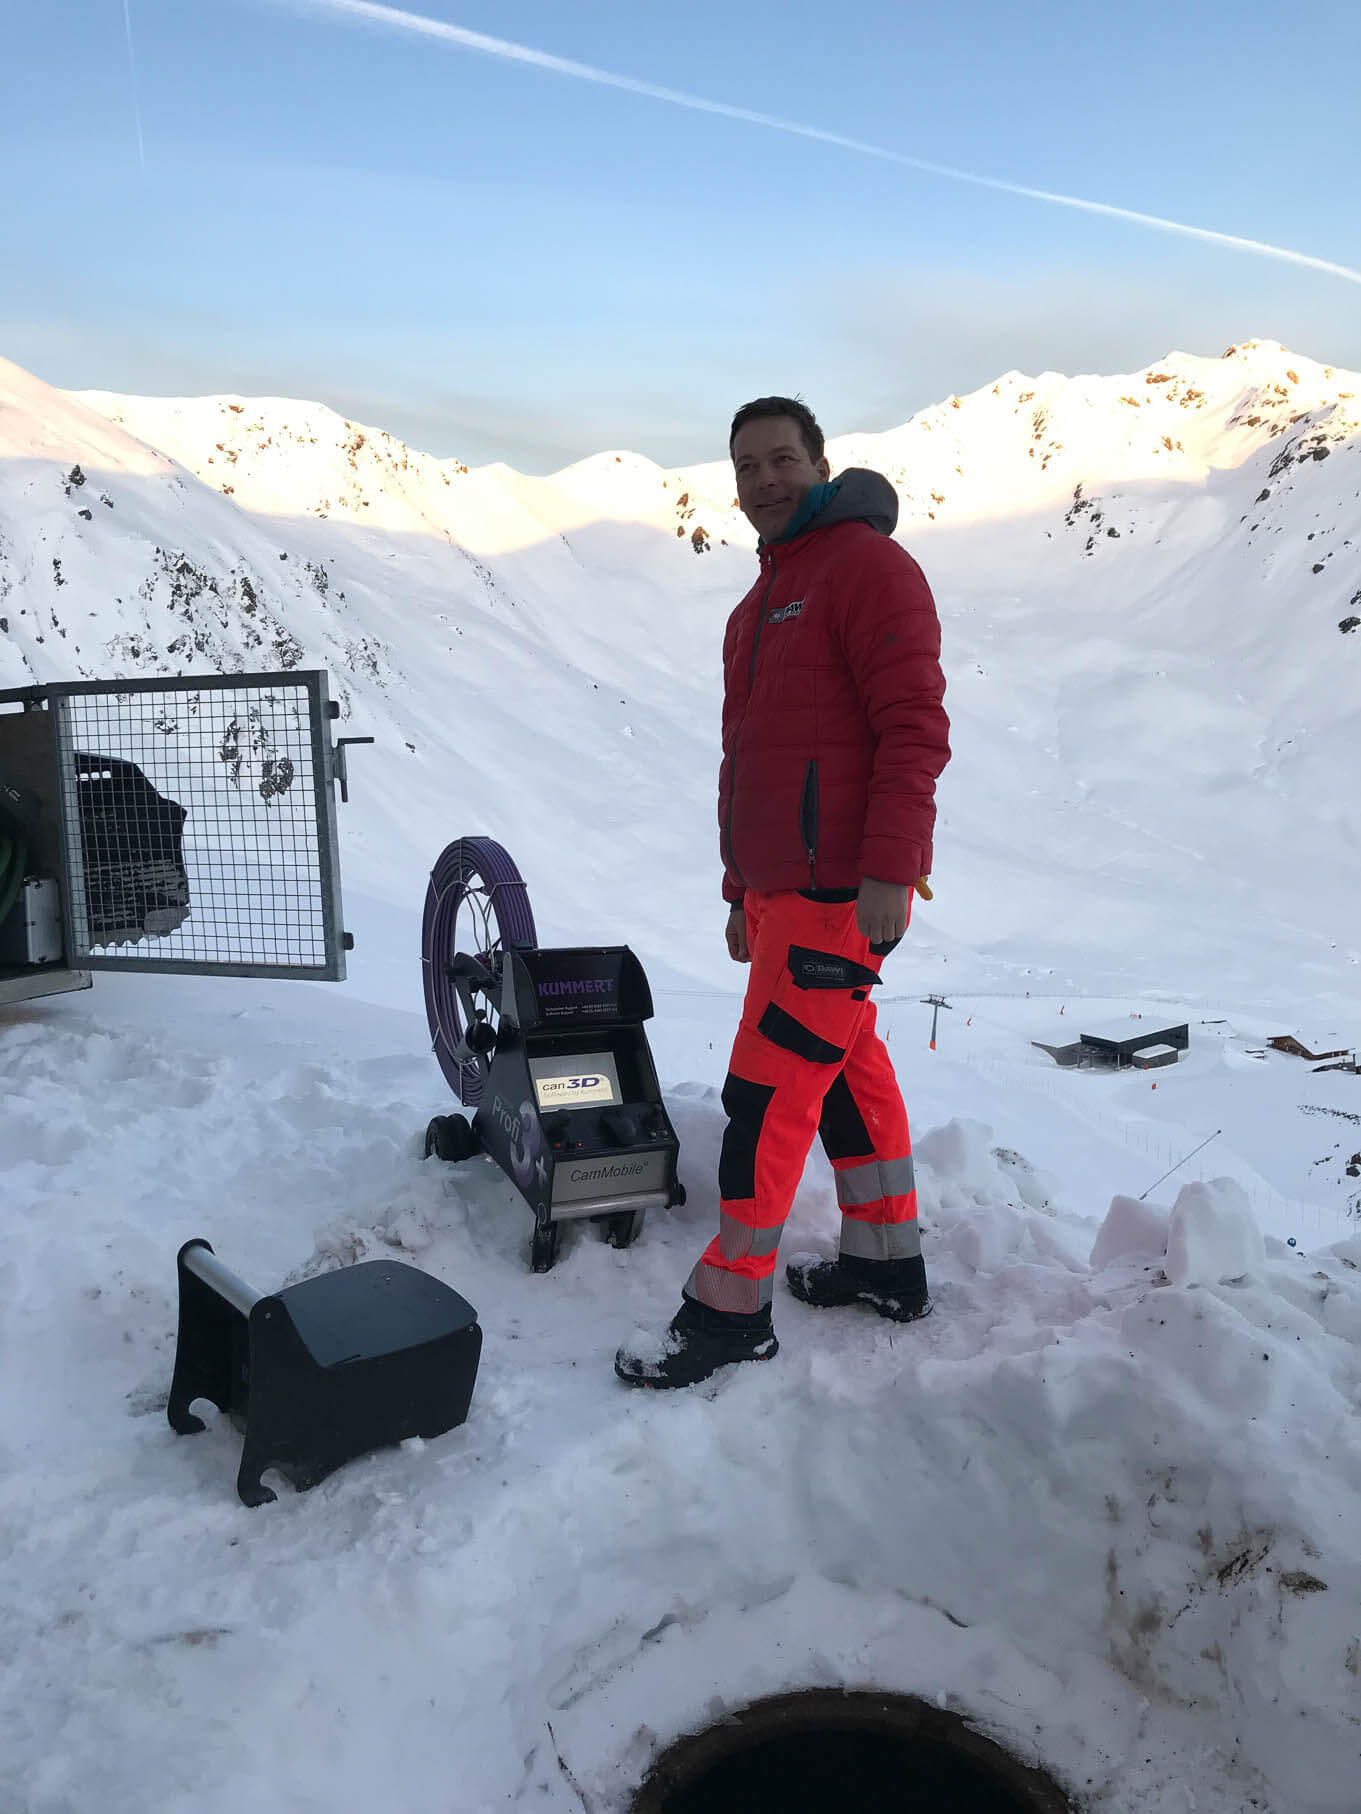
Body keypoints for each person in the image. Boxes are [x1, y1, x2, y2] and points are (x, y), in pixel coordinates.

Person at [614, 396, 951, 1389]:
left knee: (762, 1093)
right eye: (746, 465)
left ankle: (728, 1311)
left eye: (780, 459)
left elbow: (912, 726)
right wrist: (737, 889)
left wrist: (890, 868)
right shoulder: (757, 606)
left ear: (818, 463)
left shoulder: (867, 568)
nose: (763, 480)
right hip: (777, 894)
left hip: (841, 889)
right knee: (846, 1067)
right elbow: (746, 761)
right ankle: (885, 1263)